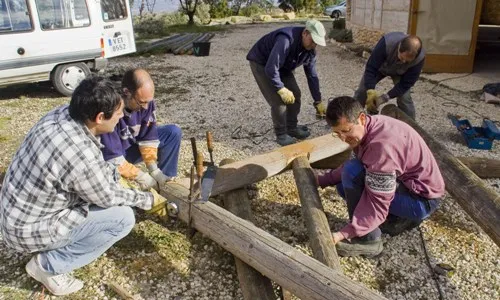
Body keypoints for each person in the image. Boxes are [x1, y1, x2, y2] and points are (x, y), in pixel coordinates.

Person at [0, 76, 169, 296]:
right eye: (118, 113)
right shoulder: (80, 156)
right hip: (28, 230)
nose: (121, 117)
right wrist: (149, 199)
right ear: (100, 117)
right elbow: (106, 197)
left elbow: (98, 177)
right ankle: (48, 266)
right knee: (122, 218)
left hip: (15, 215)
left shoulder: (62, 114)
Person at [317, 96, 444, 257]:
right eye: (337, 133)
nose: (343, 138)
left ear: (361, 118)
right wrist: (322, 180)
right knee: (344, 184)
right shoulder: (371, 125)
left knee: (352, 175)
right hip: (409, 186)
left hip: (421, 201)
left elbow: (378, 202)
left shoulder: (382, 146)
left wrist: (345, 233)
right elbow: (361, 164)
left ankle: (368, 241)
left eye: (346, 130)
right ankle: (395, 220)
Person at [247, 19, 327, 146]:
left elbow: (312, 76)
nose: (314, 46)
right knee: (278, 100)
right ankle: (281, 134)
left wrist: (318, 100)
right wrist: (280, 88)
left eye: (317, 43)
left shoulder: (310, 51)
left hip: (283, 66)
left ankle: (291, 127)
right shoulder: (285, 40)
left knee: (295, 94)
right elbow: (271, 68)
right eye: (313, 41)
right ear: (305, 33)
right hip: (262, 63)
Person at [100, 68, 182, 191]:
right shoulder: (110, 107)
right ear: (126, 92)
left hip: (130, 145)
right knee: (114, 174)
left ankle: (165, 184)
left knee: (172, 133)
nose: (146, 107)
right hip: (111, 155)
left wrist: (153, 170)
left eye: (148, 102)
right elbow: (112, 158)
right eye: (141, 102)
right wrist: (141, 177)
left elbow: (148, 138)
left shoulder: (146, 101)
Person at [353, 32, 425, 120]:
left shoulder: (419, 59)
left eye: (407, 61)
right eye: (402, 58)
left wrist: (385, 97)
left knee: (405, 99)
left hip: (401, 73)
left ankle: (411, 127)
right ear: (399, 47)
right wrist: (370, 90)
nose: (403, 62)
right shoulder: (386, 43)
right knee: (362, 91)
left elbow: (405, 84)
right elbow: (371, 68)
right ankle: (352, 118)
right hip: (381, 68)